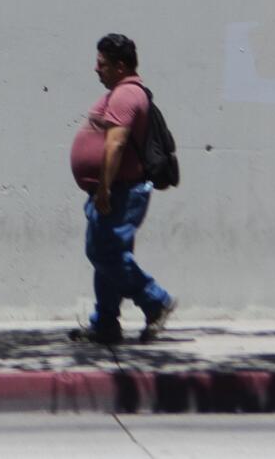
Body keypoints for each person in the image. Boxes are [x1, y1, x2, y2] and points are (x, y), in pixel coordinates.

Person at [68, 34, 177, 345]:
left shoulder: (127, 95)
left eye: (101, 64)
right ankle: (105, 324)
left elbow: (115, 144)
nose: (96, 69)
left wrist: (103, 190)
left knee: (103, 253)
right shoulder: (122, 93)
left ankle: (156, 301)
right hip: (114, 190)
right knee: (110, 256)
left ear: (119, 66)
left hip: (119, 191)